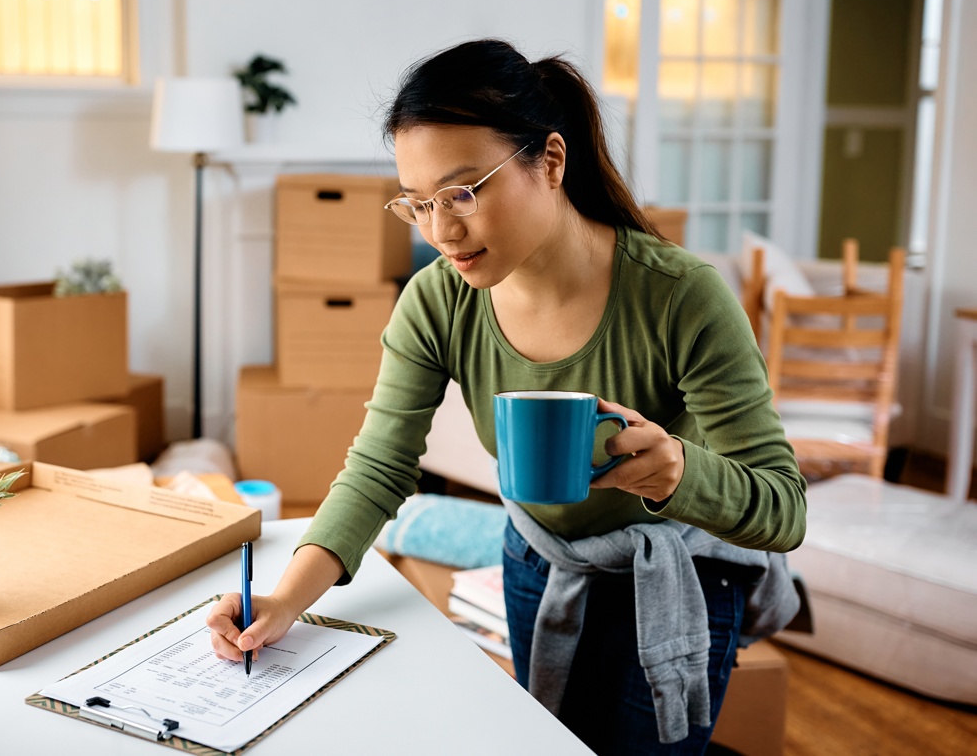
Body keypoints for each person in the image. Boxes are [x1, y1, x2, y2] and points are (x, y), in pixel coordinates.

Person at [207, 39, 806, 754]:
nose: (440, 230)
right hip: (537, 560)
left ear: (550, 161)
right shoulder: (437, 302)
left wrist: (677, 470)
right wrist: (283, 598)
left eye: (463, 191)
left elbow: (783, 507)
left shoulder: (681, 296)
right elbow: (379, 465)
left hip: (675, 577)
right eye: (419, 204)